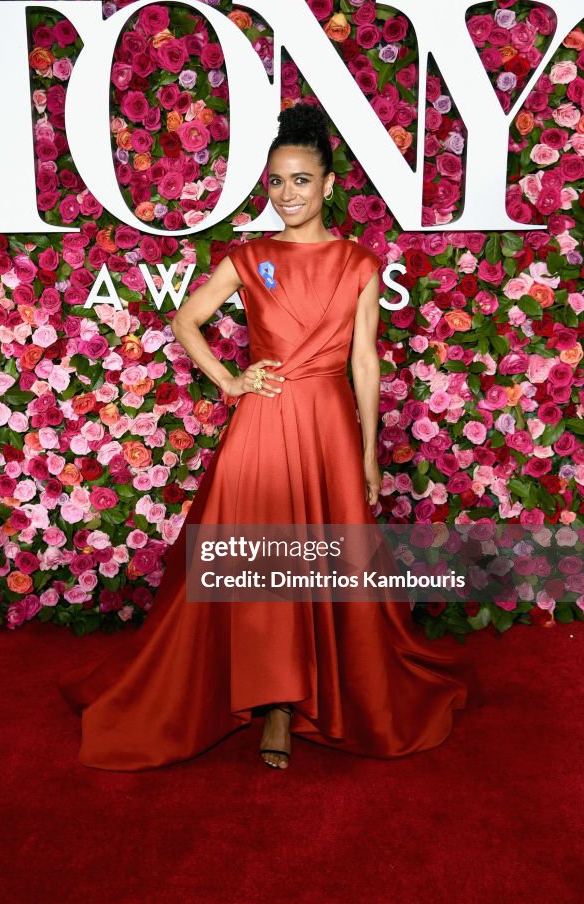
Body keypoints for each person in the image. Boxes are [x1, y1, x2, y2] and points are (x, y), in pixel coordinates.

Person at [58, 102, 482, 772]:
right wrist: (230, 381)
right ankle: (275, 705)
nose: (287, 194)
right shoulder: (250, 256)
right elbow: (185, 319)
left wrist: (367, 451)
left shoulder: (356, 263)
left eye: (301, 181)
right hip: (262, 425)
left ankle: (313, 693)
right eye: (277, 182)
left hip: (326, 430)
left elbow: (364, 361)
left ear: (329, 185)